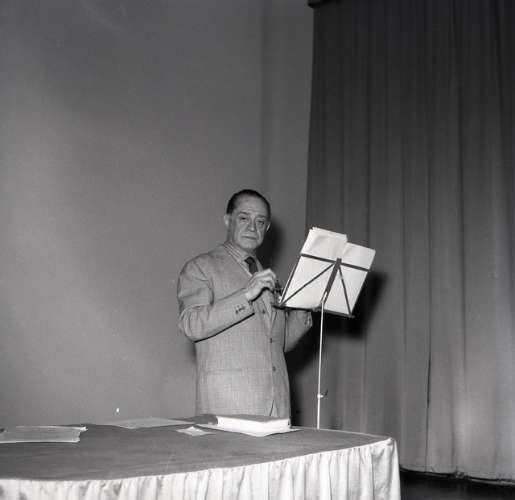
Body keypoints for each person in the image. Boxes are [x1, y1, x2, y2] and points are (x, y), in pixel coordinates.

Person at [177, 189, 312, 418]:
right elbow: (191, 325)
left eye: (260, 222)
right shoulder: (200, 267)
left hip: (277, 407)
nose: (252, 227)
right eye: (244, 218)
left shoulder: (270, 278)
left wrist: (303, 308)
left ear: (266, 229)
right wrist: (245, 295)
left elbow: (277, 343)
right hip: (229, 406)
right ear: (227, 220)